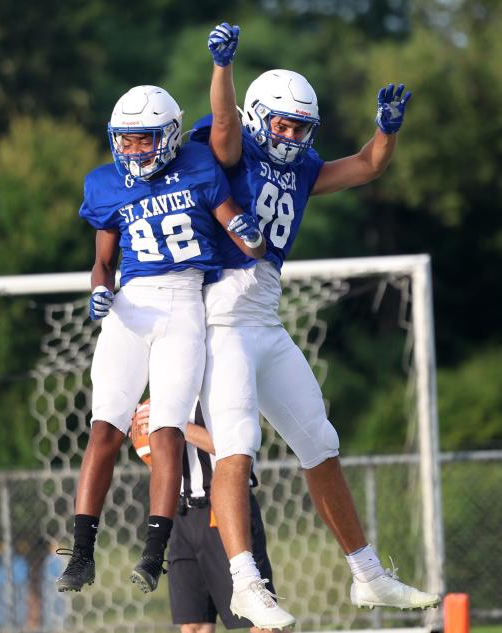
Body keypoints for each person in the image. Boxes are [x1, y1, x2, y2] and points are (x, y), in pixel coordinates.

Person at [192, 22, 439, 629]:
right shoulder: (234, 151)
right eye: (281, 124)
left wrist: (387, 129)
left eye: (301, 127)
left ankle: (368, 574)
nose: (291, 136)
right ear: (258, 118)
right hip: (220, 318)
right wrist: (223, 68)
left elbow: (366, 166)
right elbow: (222, 126)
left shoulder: (301, 169)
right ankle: (246, 585)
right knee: (237, 448)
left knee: (320, 442)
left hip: (265, 317)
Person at [55, 84, 267, 595]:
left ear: (169, 137)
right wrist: (101, 293)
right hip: (131, 306)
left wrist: (250, 236)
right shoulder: (106, 184)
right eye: (124, 141)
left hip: (184, 304)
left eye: (143, 139)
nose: (132, 151)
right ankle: (82, 553)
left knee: (167, 428)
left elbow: (234, 225)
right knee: (105, 426)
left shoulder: (197, 165)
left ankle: (154, 553)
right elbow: (102, 264)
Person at [132, 399, 275, 633]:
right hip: (181, 514)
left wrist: (175, 423)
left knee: (262, 621)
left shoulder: (223, 383)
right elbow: (160, 467)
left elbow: (235, 446)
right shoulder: (164, 390)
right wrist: (146, 442)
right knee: (194, 624)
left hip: (224, 509)